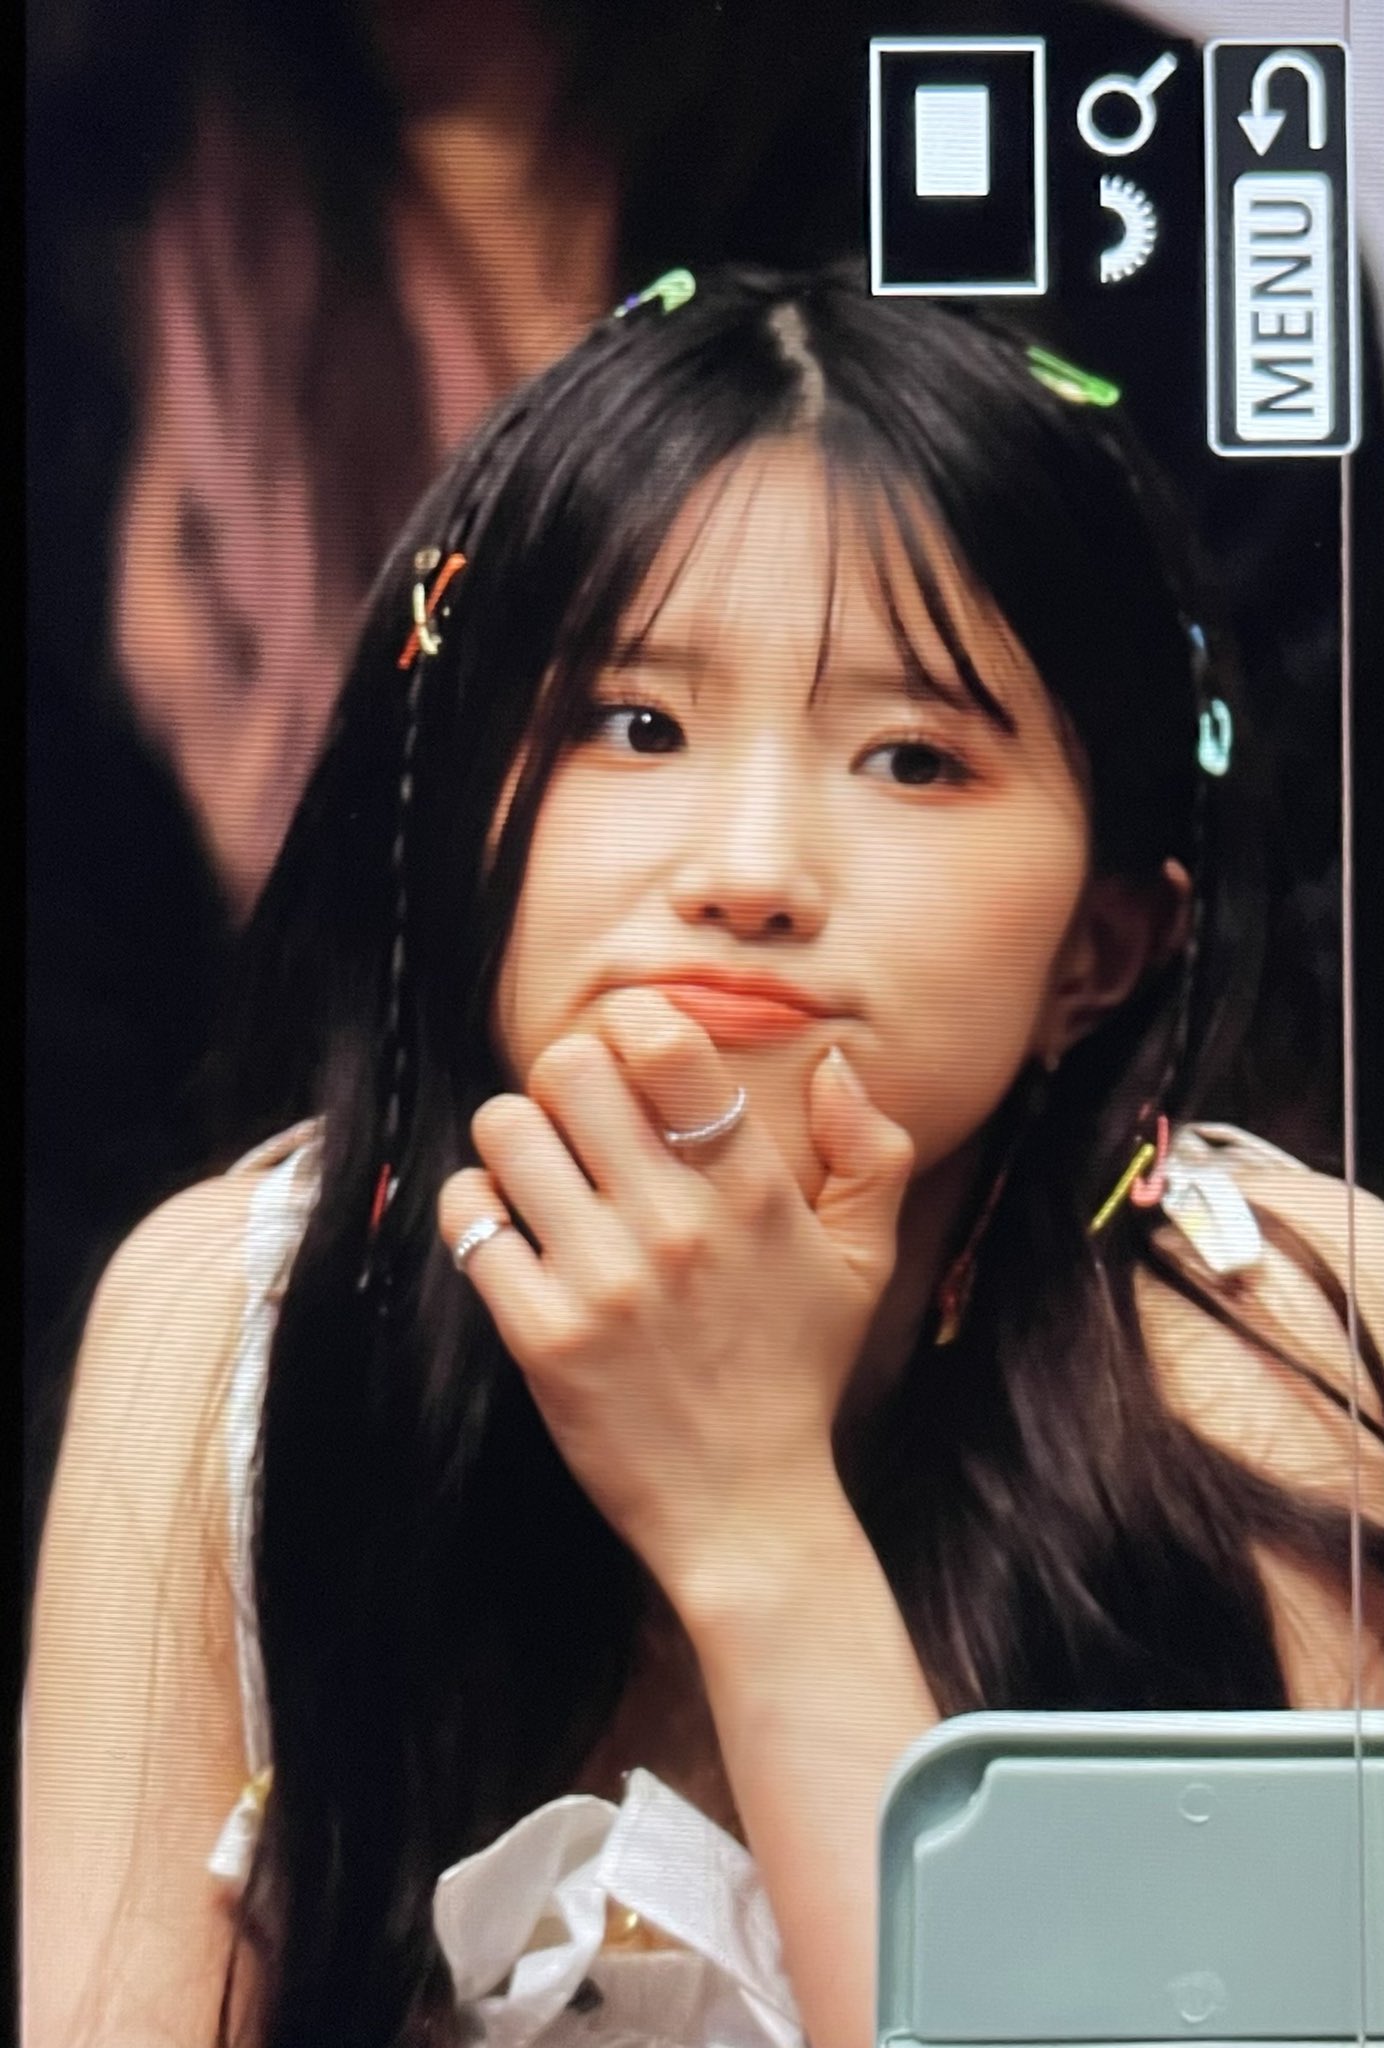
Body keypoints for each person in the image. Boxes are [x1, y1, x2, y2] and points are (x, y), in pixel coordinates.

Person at [24, 265, 1384, 2048]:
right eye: (636, 725)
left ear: (1100, 952)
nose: (749, 871)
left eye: (914, 758)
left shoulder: (1281, 1332)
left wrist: (754, 1521)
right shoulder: (241, 1319)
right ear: (459, 823)